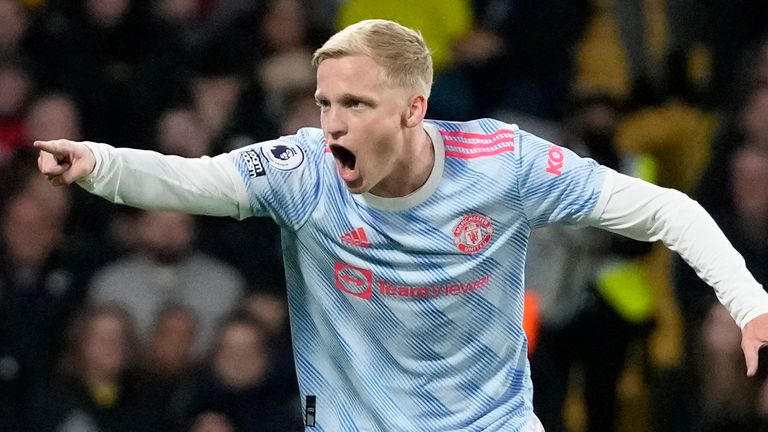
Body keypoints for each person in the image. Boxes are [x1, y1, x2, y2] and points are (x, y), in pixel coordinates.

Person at [34, 19, 768, 432]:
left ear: (413, 109)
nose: (331, 124)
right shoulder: (304, 170)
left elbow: (668, 209)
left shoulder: (503, 163)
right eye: (325, 103)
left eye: (354, 105)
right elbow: (190, 180)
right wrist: (95, 162)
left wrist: (750, 303)